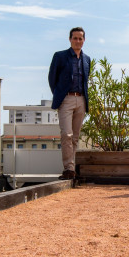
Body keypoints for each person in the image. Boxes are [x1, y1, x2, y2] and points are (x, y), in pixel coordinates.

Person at [48, 27, 91, 180]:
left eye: (80, 38)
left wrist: (84, 100)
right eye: (75, 38)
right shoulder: (60, 56)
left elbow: (86, 80)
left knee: (75, 137)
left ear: (84, 40)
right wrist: (59, 95)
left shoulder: (87, 59)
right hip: (66, 99)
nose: (77, 41)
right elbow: (52, 79)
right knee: (66, 134)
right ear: (70, 39)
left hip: (81, 100)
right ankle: (68, 169)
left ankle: (71, 168)